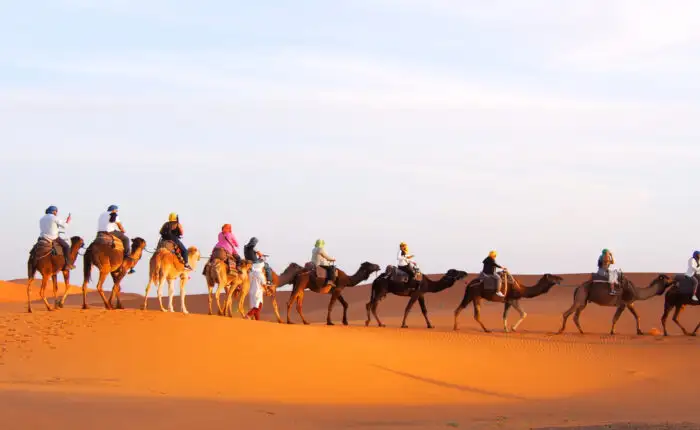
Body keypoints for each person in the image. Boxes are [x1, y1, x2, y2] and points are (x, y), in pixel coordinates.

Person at [97, 204, 135, 274]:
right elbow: (119, 225)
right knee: (126, 239)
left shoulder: (102, 214)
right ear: (114, 210)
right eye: (116, 210)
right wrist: (123, 230)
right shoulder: (114, 214)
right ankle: (127, 256)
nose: (117, 211)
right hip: (109, 232)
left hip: (99, 233)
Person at [38, 205, 75, 270]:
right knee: (66, 246)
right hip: (53, 237)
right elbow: (65, 226)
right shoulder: (54, 218)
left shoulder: (42, 218)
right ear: (53, 211)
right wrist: (68, 221)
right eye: (56, 211)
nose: (56, 213)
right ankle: (68, 264)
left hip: (42, 237)